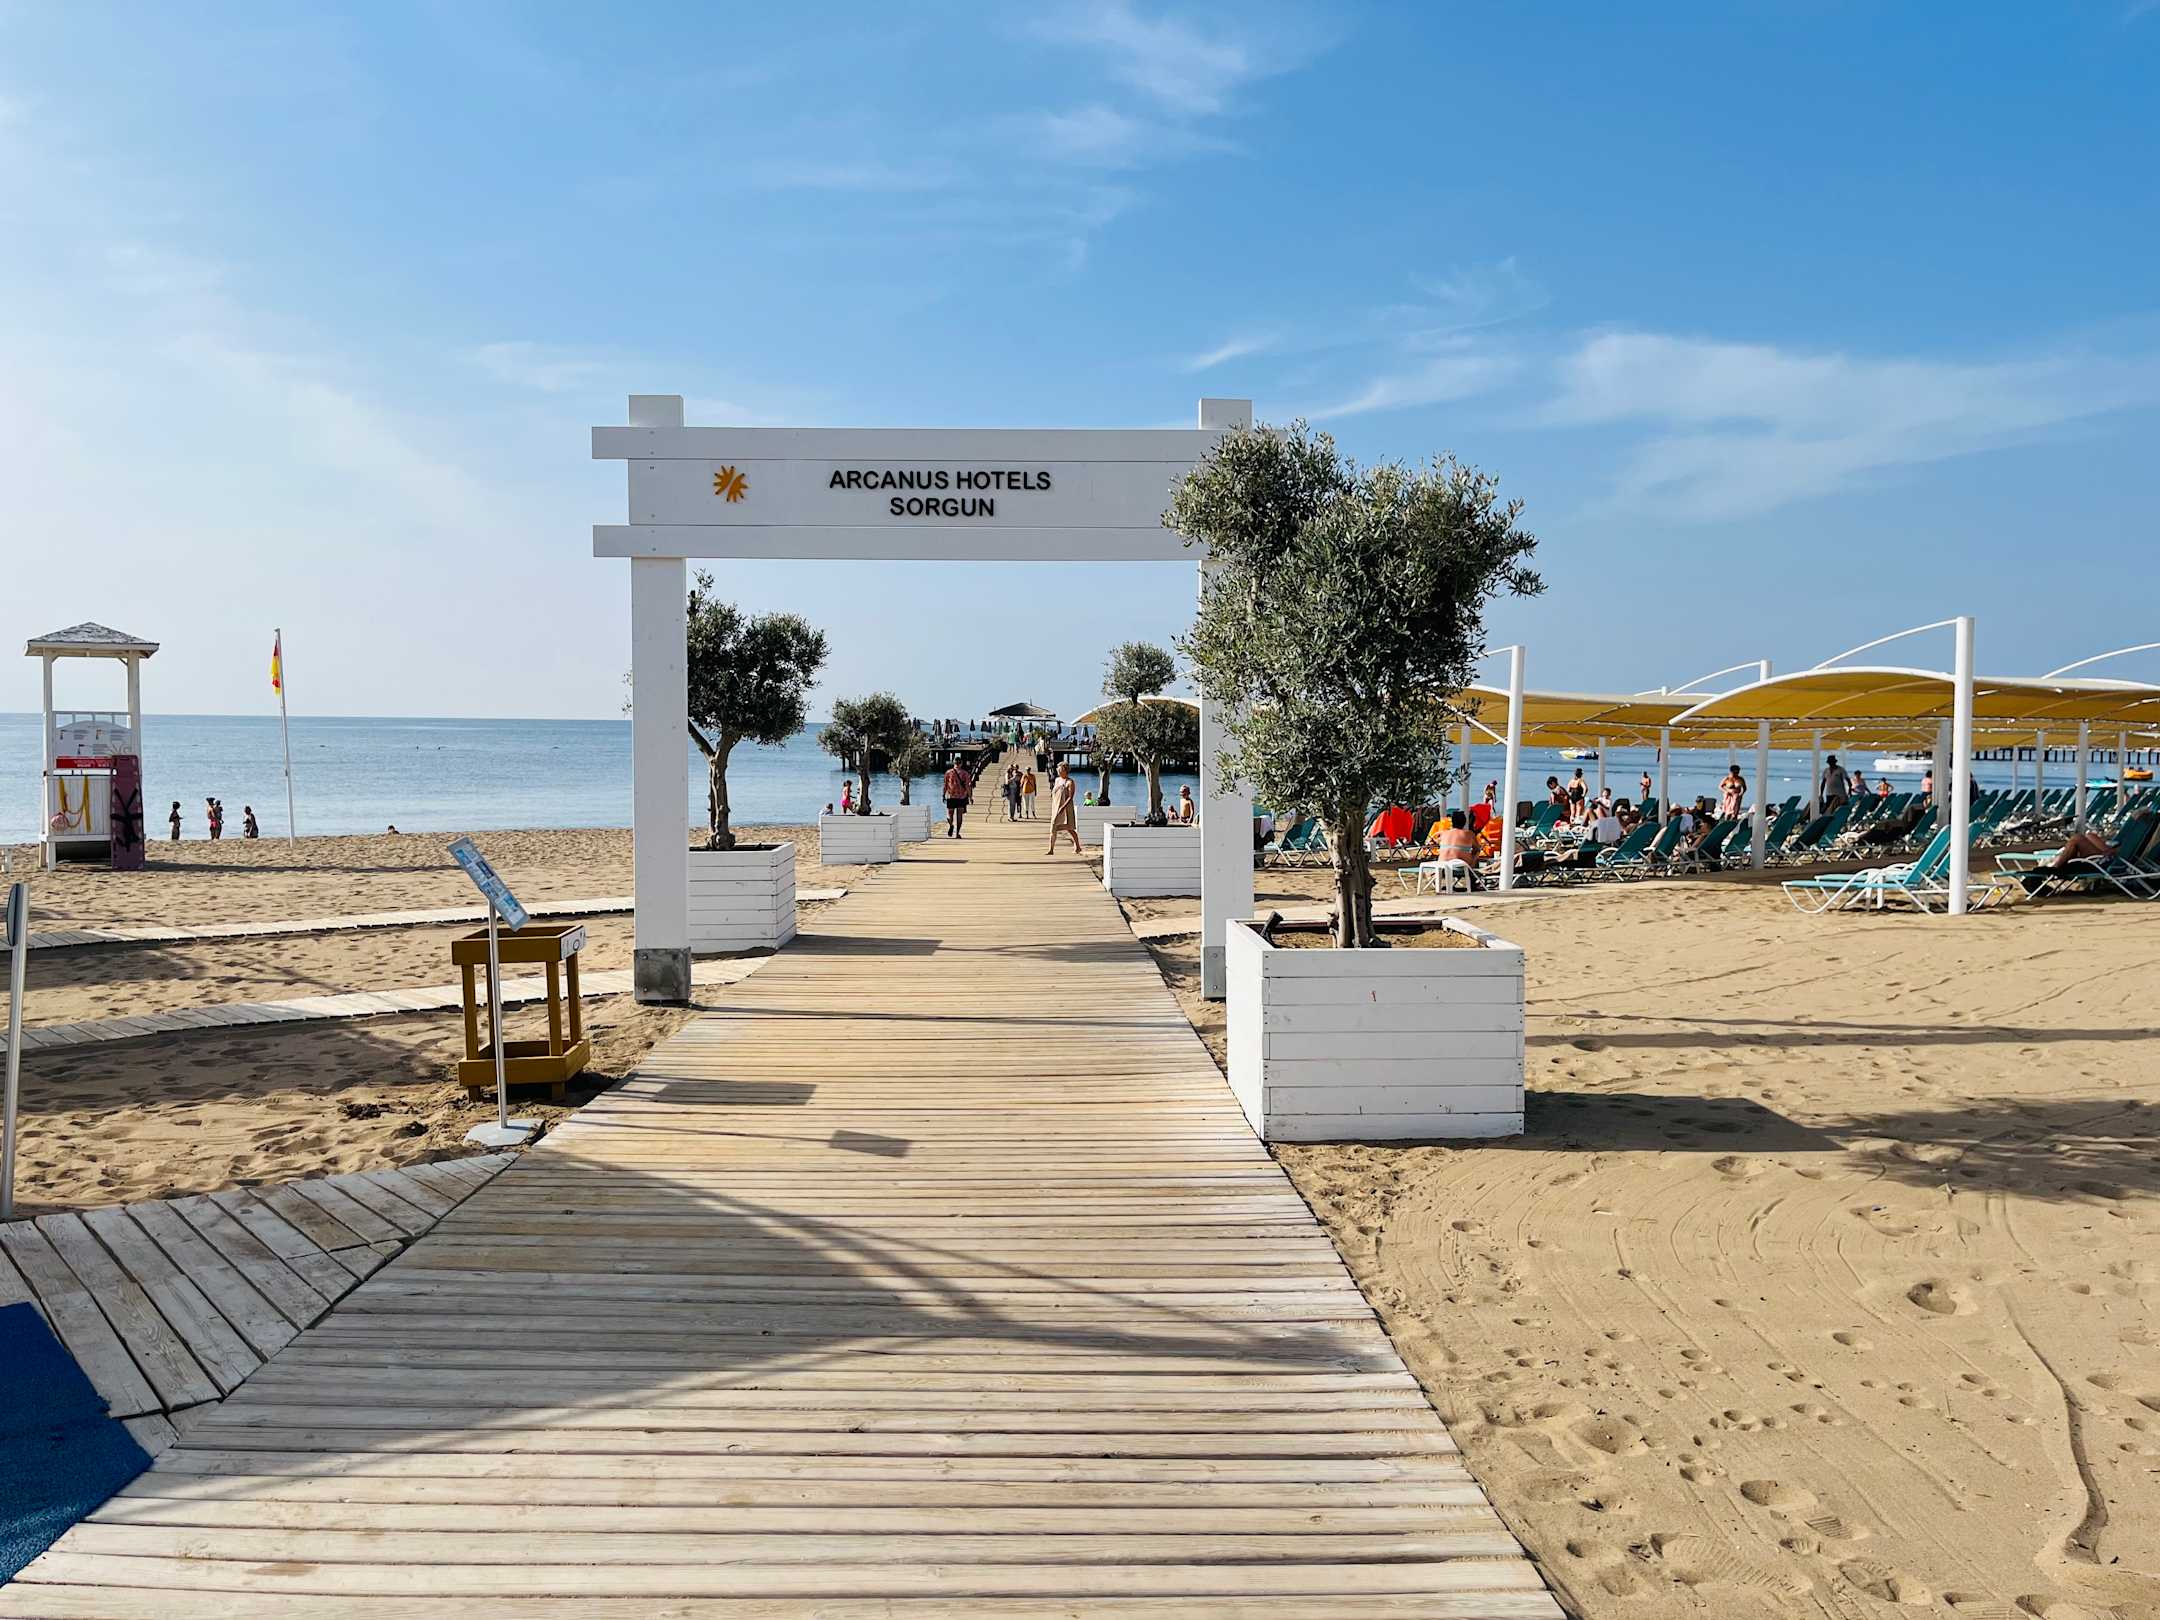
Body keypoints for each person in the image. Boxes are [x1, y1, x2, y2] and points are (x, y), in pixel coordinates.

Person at [1046, 761, 1081, 854]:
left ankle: (1078, 846)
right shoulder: (1057, 780)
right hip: (1056, 806)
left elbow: (1070, 797)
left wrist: (1062, 807)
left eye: (1060, 769)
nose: (1058, 771)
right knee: (1053, 827)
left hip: (1066, 807)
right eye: (1058, 769)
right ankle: (1051, 849)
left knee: (1070, 828)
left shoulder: (1070, 782)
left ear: (1065, 770)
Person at [942, 757, 970, 838]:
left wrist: (943, 795)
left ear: (953, 763)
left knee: (950, 814)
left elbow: (945, 785)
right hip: (961, 797)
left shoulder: (948, 772)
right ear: (961, 763)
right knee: (959, 815)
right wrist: (970, 796)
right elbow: (967, 786)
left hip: (950, 796)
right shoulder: (965, 773)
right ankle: (957, 833)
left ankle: (951, 825)